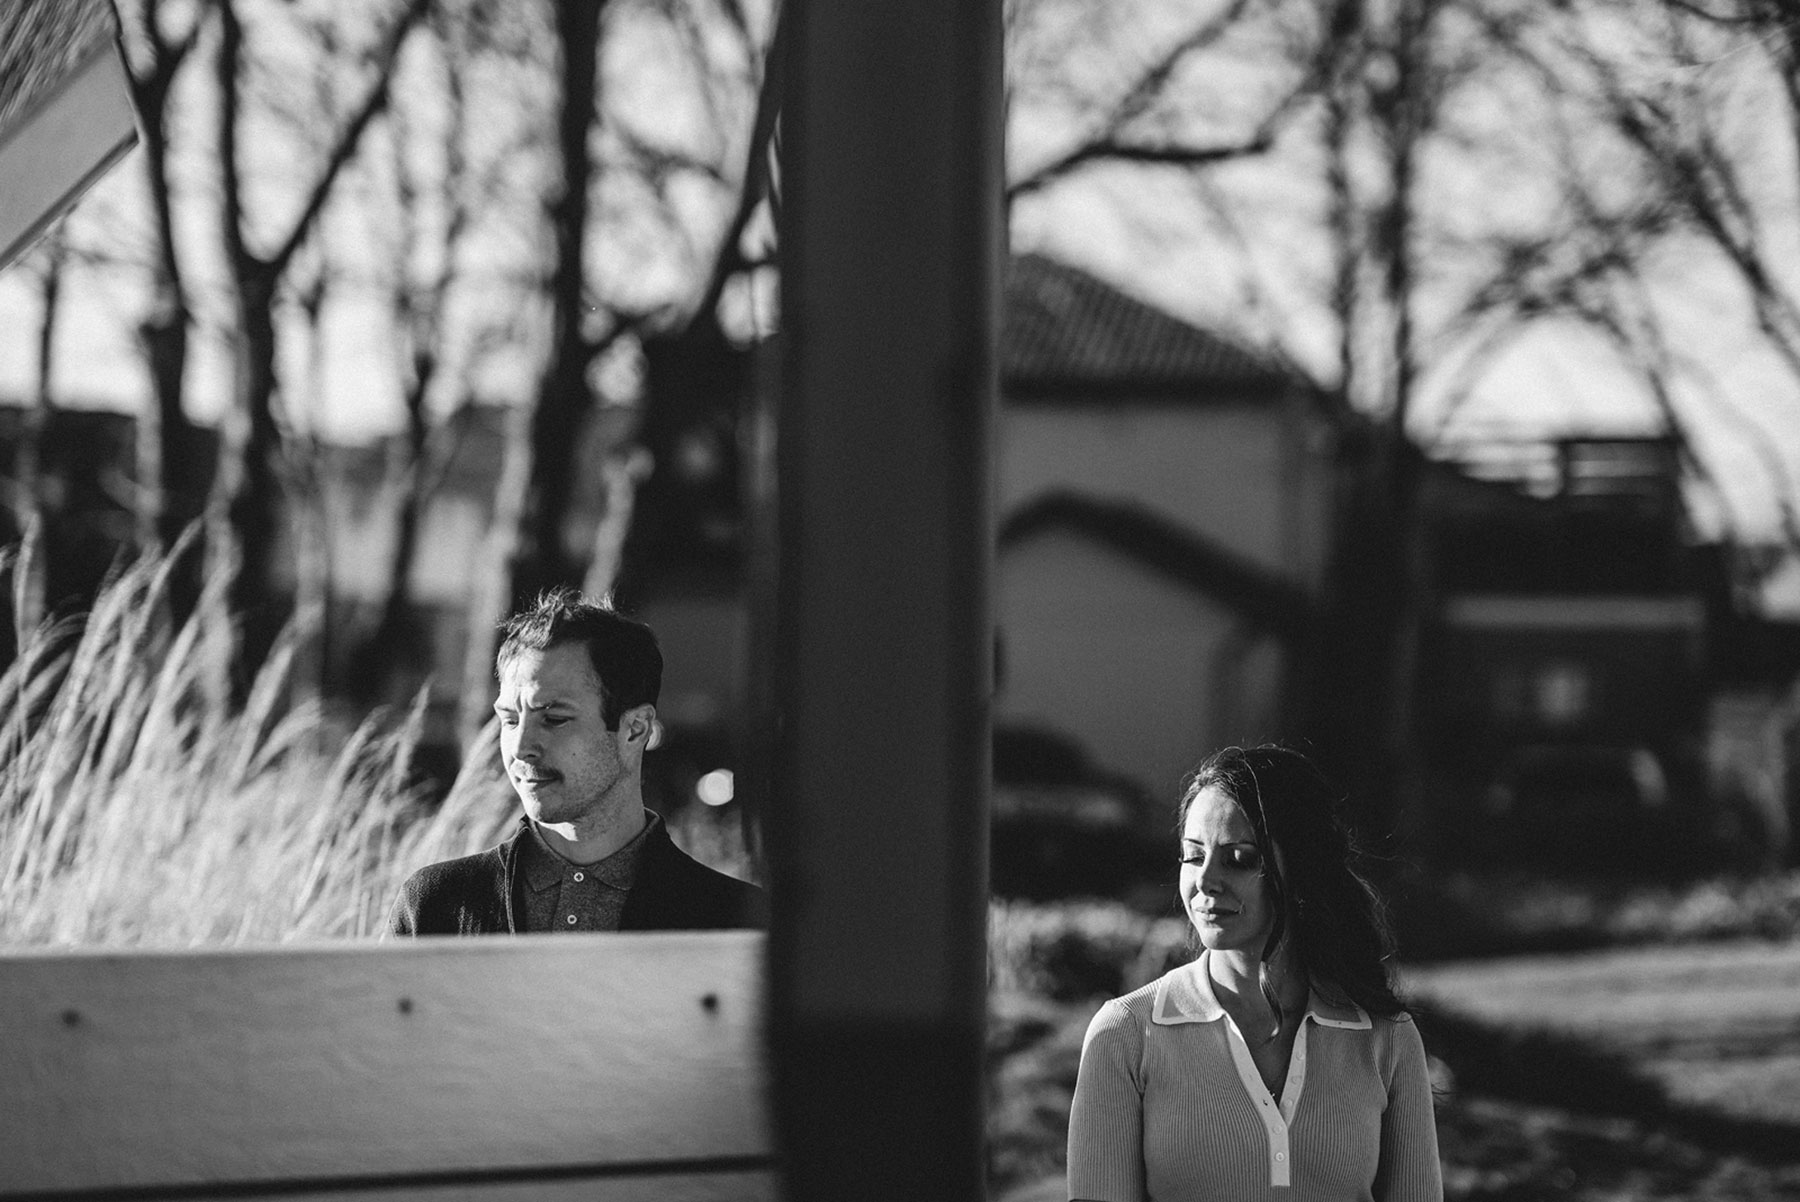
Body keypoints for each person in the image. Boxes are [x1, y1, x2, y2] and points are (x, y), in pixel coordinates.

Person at [1066, 744, 1442, 1202]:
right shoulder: (1124, 1035)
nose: (1205, 880)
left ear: (1303, 869)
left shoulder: (1388, 1038)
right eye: (1192, 855)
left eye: (1239, 858)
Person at [385, 588, 765, 936]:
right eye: (510, 720)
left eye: (554, 719)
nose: (521, 747)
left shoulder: (734, 922)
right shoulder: (435, 907)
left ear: (635, 729)